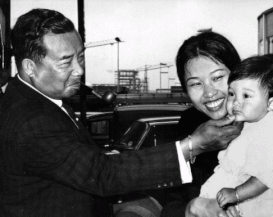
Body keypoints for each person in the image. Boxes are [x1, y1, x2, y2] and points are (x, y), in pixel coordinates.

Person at [0, 9, 243, 217]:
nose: (79, 70)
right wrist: (194, 145)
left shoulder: (39, 101)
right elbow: (102, 174)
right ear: (30, 67)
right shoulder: (31, 120)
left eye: (80, 57)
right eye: (66, 62)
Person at [199, 54, 273, 216]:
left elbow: (266, 177)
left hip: (269, 203)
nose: (236, 102)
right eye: (231, 94)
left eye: (246, 96)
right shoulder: (255, 119)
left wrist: (236, 194)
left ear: (272, 103)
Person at [161, 31, 243, 217]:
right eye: (196, 84)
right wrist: (190, 209)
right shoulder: (188, 124)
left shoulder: (270, 123)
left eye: (217, 78)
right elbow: (170, 202)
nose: (209, 92)